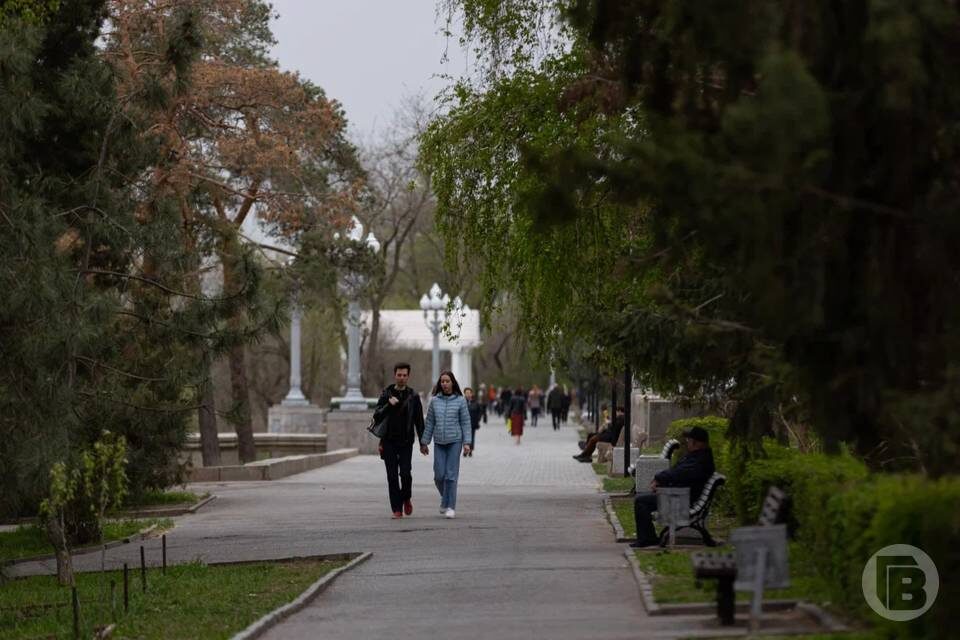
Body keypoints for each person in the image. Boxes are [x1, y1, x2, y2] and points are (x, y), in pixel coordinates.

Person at [630, 426, 716, 548]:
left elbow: (681, 473)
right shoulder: (696, 456)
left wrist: (659, 479)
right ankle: (648, 538)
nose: (687, 444)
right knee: (642, 499)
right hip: (680, 494)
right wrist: (662, 484)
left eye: (689, 441)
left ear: (696, 442)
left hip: (683, 500)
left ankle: (647, 539)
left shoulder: (700, 460)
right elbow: (678, 472)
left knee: (641, 501)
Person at [373, 362, 425, 519]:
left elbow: (419, 421)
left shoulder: (413, 396)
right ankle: (396, 508)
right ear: (394, 375)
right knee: (392, 476)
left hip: (406, 442)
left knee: (405, 473)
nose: (401, 377)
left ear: (408, 376)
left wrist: (423, 442)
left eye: (404, 375)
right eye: (399, 375)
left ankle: (406, 497)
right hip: (388, 441)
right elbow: (377, 416)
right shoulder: (386, 394)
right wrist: (388, 404)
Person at [420, 371, 472, 519]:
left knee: (450, 476)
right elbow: (429, 422)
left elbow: (465, 422)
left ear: (452, 383)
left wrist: (467, 443)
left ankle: (450, 506)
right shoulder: (434, 401)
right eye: (442, 381)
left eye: (447, 381)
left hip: (455, 441)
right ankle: (446, 498)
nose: (444, 384)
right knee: (439, 475)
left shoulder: (461, 401)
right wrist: (424, 442)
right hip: (439, 442)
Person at [463, 387, 485, 456]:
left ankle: (471, 450)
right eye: (466, 393)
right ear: (464, 394)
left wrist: (478, 419)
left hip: (473, 422)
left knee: (472, 437)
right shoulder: (462, 402)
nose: (468, 394)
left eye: (469, 393)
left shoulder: (476, 403)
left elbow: (480, 411)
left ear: (471, 394)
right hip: (463, 423)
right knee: (464, 437)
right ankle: (465, 450)